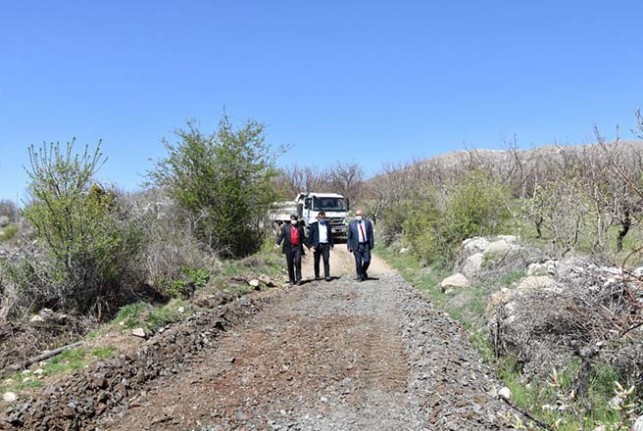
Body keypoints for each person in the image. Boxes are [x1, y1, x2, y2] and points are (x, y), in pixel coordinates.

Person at [275, 214, 308, 285]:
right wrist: (278, 243)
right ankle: (292, 280)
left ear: (297, 220)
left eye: (295, 219)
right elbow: (281, 236)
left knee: (297, 262)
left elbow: (303, 238)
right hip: (288, 248)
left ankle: (299, 279)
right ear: (290, 219)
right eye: (292, 219)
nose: (294, 221)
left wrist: (309, 246)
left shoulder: (300, 227)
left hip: (297, 247)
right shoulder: (285, 227)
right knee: (290, 264)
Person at [347, 209, 374, 281]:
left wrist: (371, 244)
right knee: (358, 261)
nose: (358, 216)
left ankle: (363, 271)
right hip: (357, 245)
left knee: (367, 260)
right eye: (357, 215)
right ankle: (359, 275)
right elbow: (349, 236)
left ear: (362, 215)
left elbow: (371, 234)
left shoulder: (367, 223)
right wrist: (349, 246)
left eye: (359, 215)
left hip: (366, 245)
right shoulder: (352, 224)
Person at [307, 211, 334, 281]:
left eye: (323, 217)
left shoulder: (328, 225)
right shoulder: (313, 225)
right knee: (316, 261)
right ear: (318, 218)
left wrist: (331, 244)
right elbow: (310, 236)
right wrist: (310, 246)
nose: (322, 219)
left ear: (325, 218)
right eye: (320, 218)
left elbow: (330, 236)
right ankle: (317, 275)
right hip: (317, 245)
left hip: (325, 245)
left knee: (326, 260)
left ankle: (327, 275)